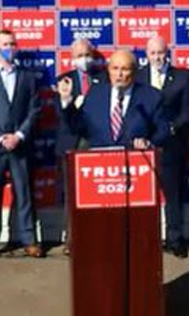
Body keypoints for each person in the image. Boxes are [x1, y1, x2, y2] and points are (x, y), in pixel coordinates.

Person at [0, 29, 44, 259]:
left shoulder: (28, 77)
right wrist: (1, 137)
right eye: (5, 43)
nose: (9, 47)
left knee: (24, 194)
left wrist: (19, 135)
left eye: (12, 43)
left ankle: (28, 240)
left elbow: (34, 110)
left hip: (20, 145)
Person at [136, 36, 189, 257]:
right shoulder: (138, 76)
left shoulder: (183, 77)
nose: (157, 57)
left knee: (174, 196)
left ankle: (175, 239)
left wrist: (172, 127)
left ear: (167, 52)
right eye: (152, 53)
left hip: (172, 144)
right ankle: (146, 240)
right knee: (142, 197)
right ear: (146, 55)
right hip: (142, 146)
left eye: (160, 53)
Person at [58, 48, 168, 149]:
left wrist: (149, 143)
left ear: (134, 72)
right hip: (100, 163)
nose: (119, 74)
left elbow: (163, 131)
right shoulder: (95, 94)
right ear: (109, 70)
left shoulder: (151, 96)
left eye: (125, 69)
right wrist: (67, 102)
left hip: (137, 162)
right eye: (115, 68)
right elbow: (78, 127)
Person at [54, 39, 105, 253]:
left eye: (87, 55)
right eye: (79, 56)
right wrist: (66, 101)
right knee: (71, 194)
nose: (84, 60)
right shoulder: (63, 80)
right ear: (72, 58)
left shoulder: (103, 80)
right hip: (71, 142)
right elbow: (60, 114)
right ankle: (72, 240)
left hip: (95, 142)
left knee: (97, 193)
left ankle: (97, 237)